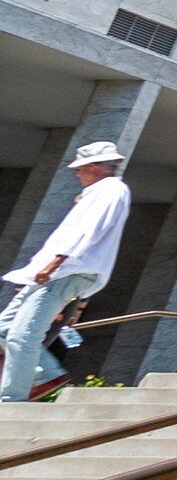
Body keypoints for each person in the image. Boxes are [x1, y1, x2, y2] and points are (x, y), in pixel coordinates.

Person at [4, 141, 131, 402]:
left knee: (23, 335)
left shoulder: (110, 190)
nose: (77, 175)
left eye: (80, 169)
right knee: (4, 330)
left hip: (64, 272)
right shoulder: (101, 191)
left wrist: (54, 264)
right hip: (56, 272)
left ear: (93, 167)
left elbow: (89, 229)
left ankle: (12, 397)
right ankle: (45, 375)